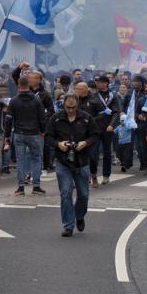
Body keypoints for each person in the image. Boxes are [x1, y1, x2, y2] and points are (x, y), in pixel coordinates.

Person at [46, 93, 99, 237]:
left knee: (83, 195)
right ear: (63, 105)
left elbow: (95, 135)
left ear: (78, 105)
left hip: (81, 161)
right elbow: (48, 137)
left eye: (73, 107)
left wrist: (85, 143)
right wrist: (58, 144)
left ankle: (79, 215)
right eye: (68, 107)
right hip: (63, 162)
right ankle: (68, 225)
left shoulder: (87, 118)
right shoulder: (56, 118)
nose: (70, 110)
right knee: (66, 193)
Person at [6, 75, 47, 195]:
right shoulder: (36, 100)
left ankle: (21, 187)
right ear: (29, 85)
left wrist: (7, 136)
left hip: (19, 133)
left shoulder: (13, 101)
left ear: (18, 86)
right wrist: (43, 131)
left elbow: (8, 120)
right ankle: (36, 186)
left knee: (20, 160)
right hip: (34, 133)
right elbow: (42, 118)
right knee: (36, 159)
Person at [89, 75, 120, 186]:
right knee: (93, 154)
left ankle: (106, 175)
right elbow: (90, 114)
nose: (99, 84)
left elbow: (116, 112)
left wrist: (112, 125)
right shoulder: (93, 96)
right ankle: (93, 174)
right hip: (95, 128)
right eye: (97, 82)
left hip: (108, 128)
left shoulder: (113, 96)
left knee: (107, 153)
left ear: (106, 83)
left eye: (101, 82)